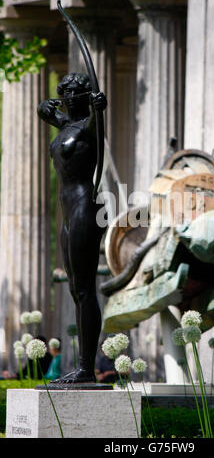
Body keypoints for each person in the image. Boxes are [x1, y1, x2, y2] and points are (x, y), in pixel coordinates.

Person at [37, 73, 107, 383]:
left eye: (76, 92)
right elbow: (44, 110)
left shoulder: (90, 126)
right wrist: (45, 105)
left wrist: (97, 107)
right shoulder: (66, 125)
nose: (68, 97)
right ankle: (82, 367)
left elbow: (95, 118)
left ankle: (86, 368)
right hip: (66, 212)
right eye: (64, 92)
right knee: (74, 290)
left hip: (84, 206)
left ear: (85, 95)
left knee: (84, 288)